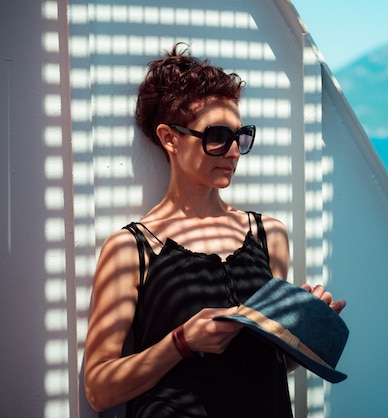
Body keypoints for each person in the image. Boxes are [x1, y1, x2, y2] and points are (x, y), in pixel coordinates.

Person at [83, 43, 346, 418]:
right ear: (169, 138)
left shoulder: (268, 234)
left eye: (241, 136)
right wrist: (181, 342)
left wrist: (303, 332)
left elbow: (272, 365)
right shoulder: (132, 248)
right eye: (217, 136)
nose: (234, 152)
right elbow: (98, 390)